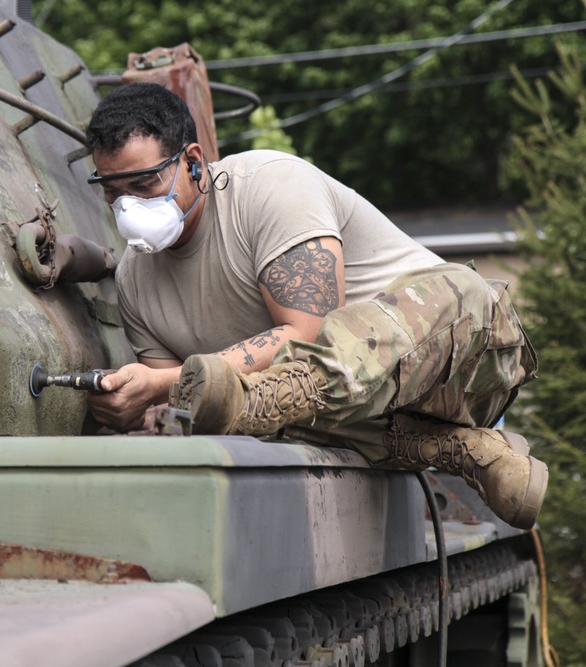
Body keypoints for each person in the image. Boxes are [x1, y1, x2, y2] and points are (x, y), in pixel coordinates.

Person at [84, 82, 546, 529]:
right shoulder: (134, 283)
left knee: (451, 292)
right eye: (111, 192)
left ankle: (262, 401)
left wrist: (170, 385)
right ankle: (459, 450)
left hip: (467, 354)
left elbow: (309, 332)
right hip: (372, 417)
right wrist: (134, 405)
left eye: (144, 184)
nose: (128, 207)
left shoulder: (269, 185)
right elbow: (187, 407)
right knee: (261, 422)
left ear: (193, 162)